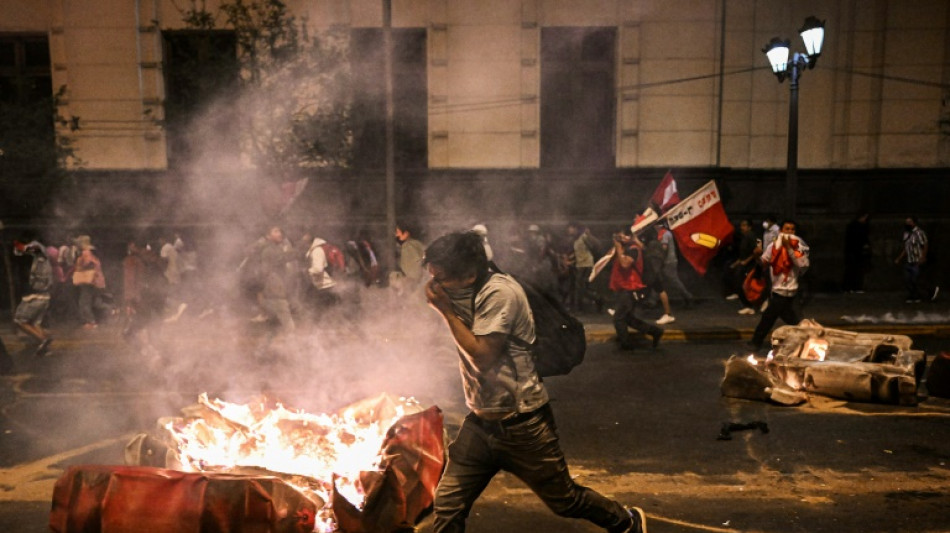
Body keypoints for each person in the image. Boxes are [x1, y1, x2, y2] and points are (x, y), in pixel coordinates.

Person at [422, 231, 646, 533]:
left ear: (469, 275)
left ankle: (626, 521)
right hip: (481, 424)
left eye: (440, 279)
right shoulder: (464, 291)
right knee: (448, 503)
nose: (434, 287)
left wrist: (446, 312)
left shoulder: (500, 294)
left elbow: (482, 356)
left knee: (565, 500)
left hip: (522, 424)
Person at [750, 220, 810, 351]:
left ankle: (805, 343)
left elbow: (802, 264)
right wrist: (756, 256)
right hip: (778, 291)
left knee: (791, 320)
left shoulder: (798, 247)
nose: (789, 232)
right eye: (787, 229)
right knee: (770, 318)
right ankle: (755, 343)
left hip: (793, 291)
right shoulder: (773, 246)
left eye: (792, 229)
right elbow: (763, 262)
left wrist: (789, 248)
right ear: (781, 231)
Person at [609, 228, 664, 351]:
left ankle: (625, 344)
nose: (621, 239)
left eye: (622, 236)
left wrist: (618, 246)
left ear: (630, 236)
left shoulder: (633, 249)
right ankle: (655, 332)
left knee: (619, 318)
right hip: (625, 287)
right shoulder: (627, 248)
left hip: (630, 288)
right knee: (628, 318)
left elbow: (624, 264)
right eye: (619, 237)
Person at [12, 240, 54, 356]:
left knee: (20, 320)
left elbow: (27, 249)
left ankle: (43, 339)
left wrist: (15, 243)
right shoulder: (44, 260)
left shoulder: (38, 254)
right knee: (35, 323)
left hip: (34, 296)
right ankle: (45, 348)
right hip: (44, 296)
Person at [894, 216, 938, 303]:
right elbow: (906, 248)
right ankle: (913, 295)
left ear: (914, 223)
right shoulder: (906, 234)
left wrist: (923, 257)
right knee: (908, 279)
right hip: (909, 260)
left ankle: (930, 290)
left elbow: (925, 245)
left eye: (909, 222)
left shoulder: (919, 233)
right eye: (906, 222)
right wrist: (899, 258)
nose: (907, 224)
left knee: (916, 279)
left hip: (917, 260)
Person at [73, 235, 113, 329]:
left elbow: (86, 263)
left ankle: (90, 322)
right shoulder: (92, 253)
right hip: (95, 281)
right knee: (95, 301)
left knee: (84, 302)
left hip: (88, 281)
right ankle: (112, 310)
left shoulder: (85, 253)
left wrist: (79, 265)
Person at [566, 221, 603, 313]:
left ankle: (597, 300)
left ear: (575, 228)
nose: (569, 230)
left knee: (581, 287)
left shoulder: (584, 237)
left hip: (586, 265)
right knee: (581, 287)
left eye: (570, 228)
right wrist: (571, 260)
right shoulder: (575, 239)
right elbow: (578, 253)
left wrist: (589, 236)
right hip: (580, 265)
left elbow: (595, 246)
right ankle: (595, 300)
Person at [657, 224, 695, 310]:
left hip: (668, 261)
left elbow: (664, 248)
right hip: (669, 260)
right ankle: (652, 300)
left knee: (673, 281)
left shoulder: (664, 234)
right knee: (662, 280)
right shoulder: (666, 233)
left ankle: (688, 296)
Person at [730, 219, 761, 315]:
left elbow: (756, 251)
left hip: (750, 265)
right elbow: (743, 253)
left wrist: (746, 261)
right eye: (741, 225)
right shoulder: (745, 237)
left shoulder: (751, 236)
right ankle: (747, 304)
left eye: (744, 225)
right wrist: (737, 263)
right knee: (739, 283)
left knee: (745, 285)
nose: (742, 227)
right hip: (744, 264)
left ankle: (750, 306)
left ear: (749, 227)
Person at [391, 220, 426, 295]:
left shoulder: (407, 246)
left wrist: (409, 281)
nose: (396, 235)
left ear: (406, 233)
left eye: (398, 232)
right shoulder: (417, 244)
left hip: (412, 284)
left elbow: (415, 267)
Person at [842, 213, 871, 293]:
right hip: (855, 252)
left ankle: (852, 287)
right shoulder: (856, 227)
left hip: (855, 252)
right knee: (854, 271)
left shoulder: (855, 226)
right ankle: (852, 287)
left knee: (854, 271)